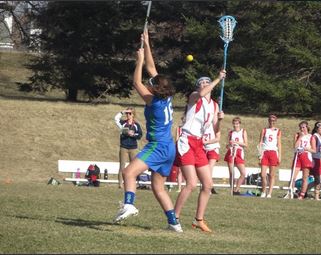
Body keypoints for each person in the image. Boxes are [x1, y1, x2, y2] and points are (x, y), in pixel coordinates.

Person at [113, 30, 183, 233]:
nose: (148, 83)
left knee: (129, 172)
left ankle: (129, 205)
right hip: (169, 147)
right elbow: (152, 68)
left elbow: (136, 82)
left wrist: (138, 60)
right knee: (158, 187)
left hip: (158, 146)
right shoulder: (166, 96)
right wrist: (147, 43)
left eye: (151, 84)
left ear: (155, 89)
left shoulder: (153, 102)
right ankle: (174, 223)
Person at [174, 70, 226, 233]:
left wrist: (220, 120)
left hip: (199, 144)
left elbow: (216, 129)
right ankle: (174, 217)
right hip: (187, 141)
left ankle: (199, 219)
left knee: (208, 185)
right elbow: (203, 92)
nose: (204, 84)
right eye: (201, 83)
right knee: (191, 183)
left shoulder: (215, 105)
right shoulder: (194, 96)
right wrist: (218, 78)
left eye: (206, 82)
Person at [114, 107, 143, 189]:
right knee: (122, 166)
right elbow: (116, 118)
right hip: (124, 147)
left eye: (129, 113)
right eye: (127, 113)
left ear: (133, 114)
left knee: (133, 166)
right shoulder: (123, 123)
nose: (128, 115)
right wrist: (122, 111)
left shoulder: (136, 125)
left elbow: (140, 135)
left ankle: (133, 183)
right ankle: (120, 184)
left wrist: (133, 134)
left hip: (133, 148)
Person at [287, 121, 314, 200]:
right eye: (301, 127)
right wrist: (300, 137)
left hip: (306, 156)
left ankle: (302, 194)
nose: (302, 129)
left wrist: (306, 149)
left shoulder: (311, 136)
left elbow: (314, 150)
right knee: (293, 176)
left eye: (304, 127)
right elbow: (295, 147)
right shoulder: (297, 135)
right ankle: (290, 192)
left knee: (305, 177)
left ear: (307, 127)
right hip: (298, 156)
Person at [202, 99, 224, 195]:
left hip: (213, 147)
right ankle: (207, 187)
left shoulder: (214, 126)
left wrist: (207, 142)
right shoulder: (202, 126)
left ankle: (209, 188)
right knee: (204, 169)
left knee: (209, 169)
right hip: (204, 149)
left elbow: (217, 138)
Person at [258, 114, 282, 198]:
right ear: (268, 121)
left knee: (272, 174)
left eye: (273, 121)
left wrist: (280, 156)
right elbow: (260, 142)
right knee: (263, 174)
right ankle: (263, 191)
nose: (272, 122)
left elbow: (279, 144)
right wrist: (259, 154)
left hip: (273, 152)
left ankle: (269, 193)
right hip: (265, 152)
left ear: (275, 121)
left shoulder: (278, 131)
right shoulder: (264, 130)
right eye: (270, 120)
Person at [223, 117, 248, 195]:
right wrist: (229, 144)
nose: (235, 125)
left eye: (237, 124)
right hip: (231, 152)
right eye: (234, 123)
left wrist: (236, 142)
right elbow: (227, 145)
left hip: (239, 152)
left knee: (243, 173)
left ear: (239, 124)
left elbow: (246, 144)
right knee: (231, 173)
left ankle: (237, 189)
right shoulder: (231, 132)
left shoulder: (243, 131)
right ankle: (232, 190)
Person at [310, 121, 321, 200]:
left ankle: (303, 191)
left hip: (319, 158)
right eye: (319, 127)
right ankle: (316, 196)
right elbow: (314, 149)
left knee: (318, 179)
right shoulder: (315, 136)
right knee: (318, 179)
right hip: (315, 159)